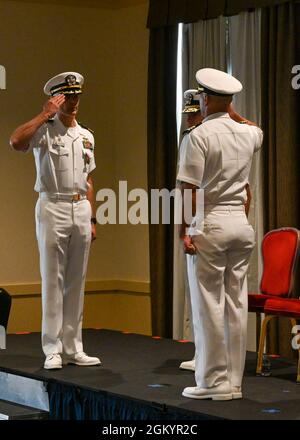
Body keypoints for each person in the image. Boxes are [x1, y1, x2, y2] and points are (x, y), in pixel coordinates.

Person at [177, 68, 263, 400]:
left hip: (209, 220)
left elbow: (189, 189)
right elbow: (255, 128)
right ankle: (234, 382)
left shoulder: (197, 136)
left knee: (207, 304)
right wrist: (231, 110)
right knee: (235, 304)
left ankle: (212, 381)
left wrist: (187, 230)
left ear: (205, 99)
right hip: (240, 224)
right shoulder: (247, 133)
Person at [10, 72, 101, 370]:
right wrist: (43, 114)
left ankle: (74, 347)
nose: (73, 102)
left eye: (76, 96)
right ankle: (52, 348)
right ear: (55, 98)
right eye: (67, 97)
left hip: (80, 208)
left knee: (77, 280)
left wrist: (93, 217)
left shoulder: (86, 135)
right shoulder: (44, 130)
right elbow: (16, 141)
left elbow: (89, 179)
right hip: (52, 205)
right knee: (53, 279)